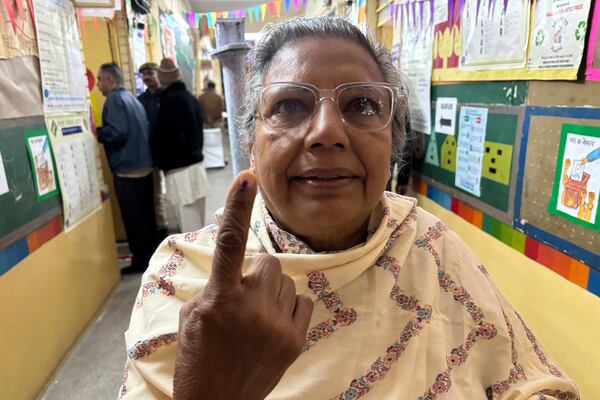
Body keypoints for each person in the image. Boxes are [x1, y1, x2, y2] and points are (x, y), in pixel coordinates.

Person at [120, 18, 579, 399]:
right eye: (290, 105)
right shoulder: (182, 280)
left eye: (360, 104)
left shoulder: (433, 250)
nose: (326, 132)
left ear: (393, 143)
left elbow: (530, 381)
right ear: (251, 142)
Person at [96, 63, 156, 274]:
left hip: (127, 170)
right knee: (146, 218)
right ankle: (149, 257)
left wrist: (97, 132)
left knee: (133, 219)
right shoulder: (132, 99)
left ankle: (140, 261)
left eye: (99, 79)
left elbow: (117, 132)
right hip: (144, 166)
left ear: (110, 80)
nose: (97, 85)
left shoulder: (113, 100)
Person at [151, 58, 211, 232]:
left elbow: (170, 138)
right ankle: (204, 258)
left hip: (181, 171)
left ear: (163, 79)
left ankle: (197, 259)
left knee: (190, 229)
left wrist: (159, 160)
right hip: (196, 167)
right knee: (198, 224)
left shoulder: (169, 102)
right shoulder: (190, 98)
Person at [138, 62, 169, 242]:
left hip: (170, 155)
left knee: (175, 192)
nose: (147, 77)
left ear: (159, 74)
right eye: (144, 75)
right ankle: (162, 227)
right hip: (152, 155)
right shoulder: (141, 100)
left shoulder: (168, 96)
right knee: (157, 194)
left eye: (150, 73)